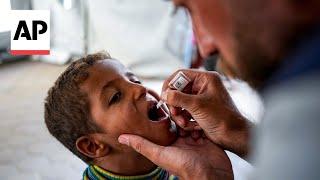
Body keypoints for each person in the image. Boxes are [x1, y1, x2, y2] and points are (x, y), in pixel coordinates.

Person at [117, 0, 320, 179]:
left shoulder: (303, 115)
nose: (206, 48)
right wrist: (235, 131)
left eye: (192, 7)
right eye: (114, 97)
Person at [44, 52, 232, 180]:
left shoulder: (185, 168)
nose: (141, 89)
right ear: (93, 146)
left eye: (135, 80)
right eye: (115, 97)